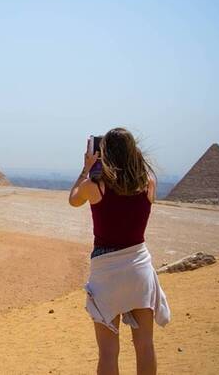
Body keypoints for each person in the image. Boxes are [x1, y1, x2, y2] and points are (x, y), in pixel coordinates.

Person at [69, 128, 170, 375]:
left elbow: (73, 199)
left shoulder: (95, 187)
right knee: (145, 345)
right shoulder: (149, 183)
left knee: (108, 351)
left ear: (105, 153)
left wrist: (86, 167)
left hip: (107, 274)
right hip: (139, 269)